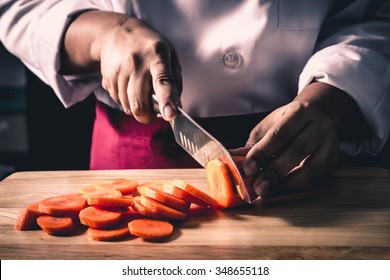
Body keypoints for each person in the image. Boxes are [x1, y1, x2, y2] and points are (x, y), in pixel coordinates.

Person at [1, 0, 389, 199]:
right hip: (135, 152)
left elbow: (376, 13)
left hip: (304, 153)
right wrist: (103, 32)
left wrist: (331, 100)